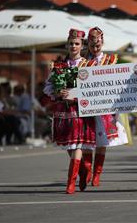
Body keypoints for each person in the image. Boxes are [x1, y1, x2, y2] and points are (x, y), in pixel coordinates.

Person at [43, 28, 96, 194]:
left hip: (81, 111)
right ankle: (82, 170)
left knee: (78, 144)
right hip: (63, 111)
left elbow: (95, 88)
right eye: (71, 43)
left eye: (77, 43)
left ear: (82, 46)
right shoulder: (60, 65)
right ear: (67, 45)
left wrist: (75, 94)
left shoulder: (89, 65)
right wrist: (57, 92)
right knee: (69, 146)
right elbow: (47, 86)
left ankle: (70, 182)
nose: (73, 46)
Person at [77, 27, 129, 189]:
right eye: (92, 45)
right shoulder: (82, 60)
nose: (95, 47)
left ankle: (97, 174)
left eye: (98, 44)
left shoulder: (111, 59)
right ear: (88, 44)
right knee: (87, 140)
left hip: (105, 107)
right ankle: (87, 171)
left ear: (102, 43)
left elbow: (118, 82)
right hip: (86, 105)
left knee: (101, 142)